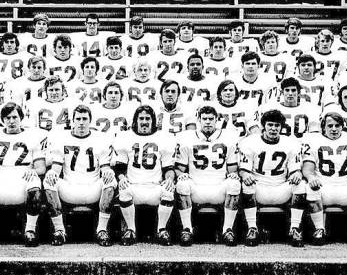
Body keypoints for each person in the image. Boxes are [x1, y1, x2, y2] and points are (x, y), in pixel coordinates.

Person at [0, 103, 47, 246]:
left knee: (35, 181)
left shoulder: (33, 136)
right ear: (2, 120)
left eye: (15, 117)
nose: (11, 121)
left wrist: (33, 171)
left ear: (21, 118)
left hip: (23, 184)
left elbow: (41, 168)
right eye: (7, 118)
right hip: (0, 184)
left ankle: (30, 230)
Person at [44, 105, 116, 246]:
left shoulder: (100, 139)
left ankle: (101, 230)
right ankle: (59, 230)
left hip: (93, 188)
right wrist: (52, 173)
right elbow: (57, 166)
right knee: (48, 181)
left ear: (90, 121)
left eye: (85, 119)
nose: (81, 122)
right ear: (72, 121)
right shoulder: (62, 139)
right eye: (78, 119)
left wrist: (108, 172)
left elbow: (105, 166)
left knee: (111, 180)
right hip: (69, 188)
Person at [301, 112, 347, 246]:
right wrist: (311, 177)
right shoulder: (312, 140)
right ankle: (319, 229)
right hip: (323, 189)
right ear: (323, 127)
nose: (334, 129)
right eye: (330, 126)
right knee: (309, 187)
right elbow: (307, 168)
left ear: (343, 127)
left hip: (345, 189)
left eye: (337, 125)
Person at [174, 106, 241, 246]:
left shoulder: (228, 137)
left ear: (217, 120)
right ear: (198, 120)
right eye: (204, 119)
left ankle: (227, 229)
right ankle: (187, 229)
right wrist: (181, 175)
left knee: (235, 184)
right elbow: (179, 168)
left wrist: (233, 175)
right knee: (181, 185)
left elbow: (232, 168)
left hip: (219, 186)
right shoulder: (187, 138)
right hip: (196, 186)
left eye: (211, 119)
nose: (208, 122)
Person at [239, 109, 304, 246]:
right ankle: (252, 228)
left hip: (281, 187)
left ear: (281, 127)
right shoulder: (250, 142)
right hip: (259, 188)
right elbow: (243, 170)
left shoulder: (291, 143)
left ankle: (295, 228)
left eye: (277, 125)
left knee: (300, 184)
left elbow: (295, 170)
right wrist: (245, 175)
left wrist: (296, 174)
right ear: (263, 126)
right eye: (270, 125)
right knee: (246, 183)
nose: (273, 129)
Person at [113, 105, 177, 245]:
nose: (144, 121)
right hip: (134, 186)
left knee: (169, 190)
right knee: (123, 190)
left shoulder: (163, 138)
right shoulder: (126, 137)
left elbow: (168, 167)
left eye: (147, 118)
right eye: (141, 118)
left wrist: (170, 179)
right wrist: (122, 178)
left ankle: (161, 230)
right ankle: (131, 230)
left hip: (155, 187)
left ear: (153, 121)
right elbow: (120, 166)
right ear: (135, 120)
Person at [256, 77, 320, 139]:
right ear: (282, 92)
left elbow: (313, 134)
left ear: (299, 92)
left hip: (301, 143)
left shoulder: (309, 109)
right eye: (287, 90)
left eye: (293, 90)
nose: (290, 93)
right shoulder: (271, 107)